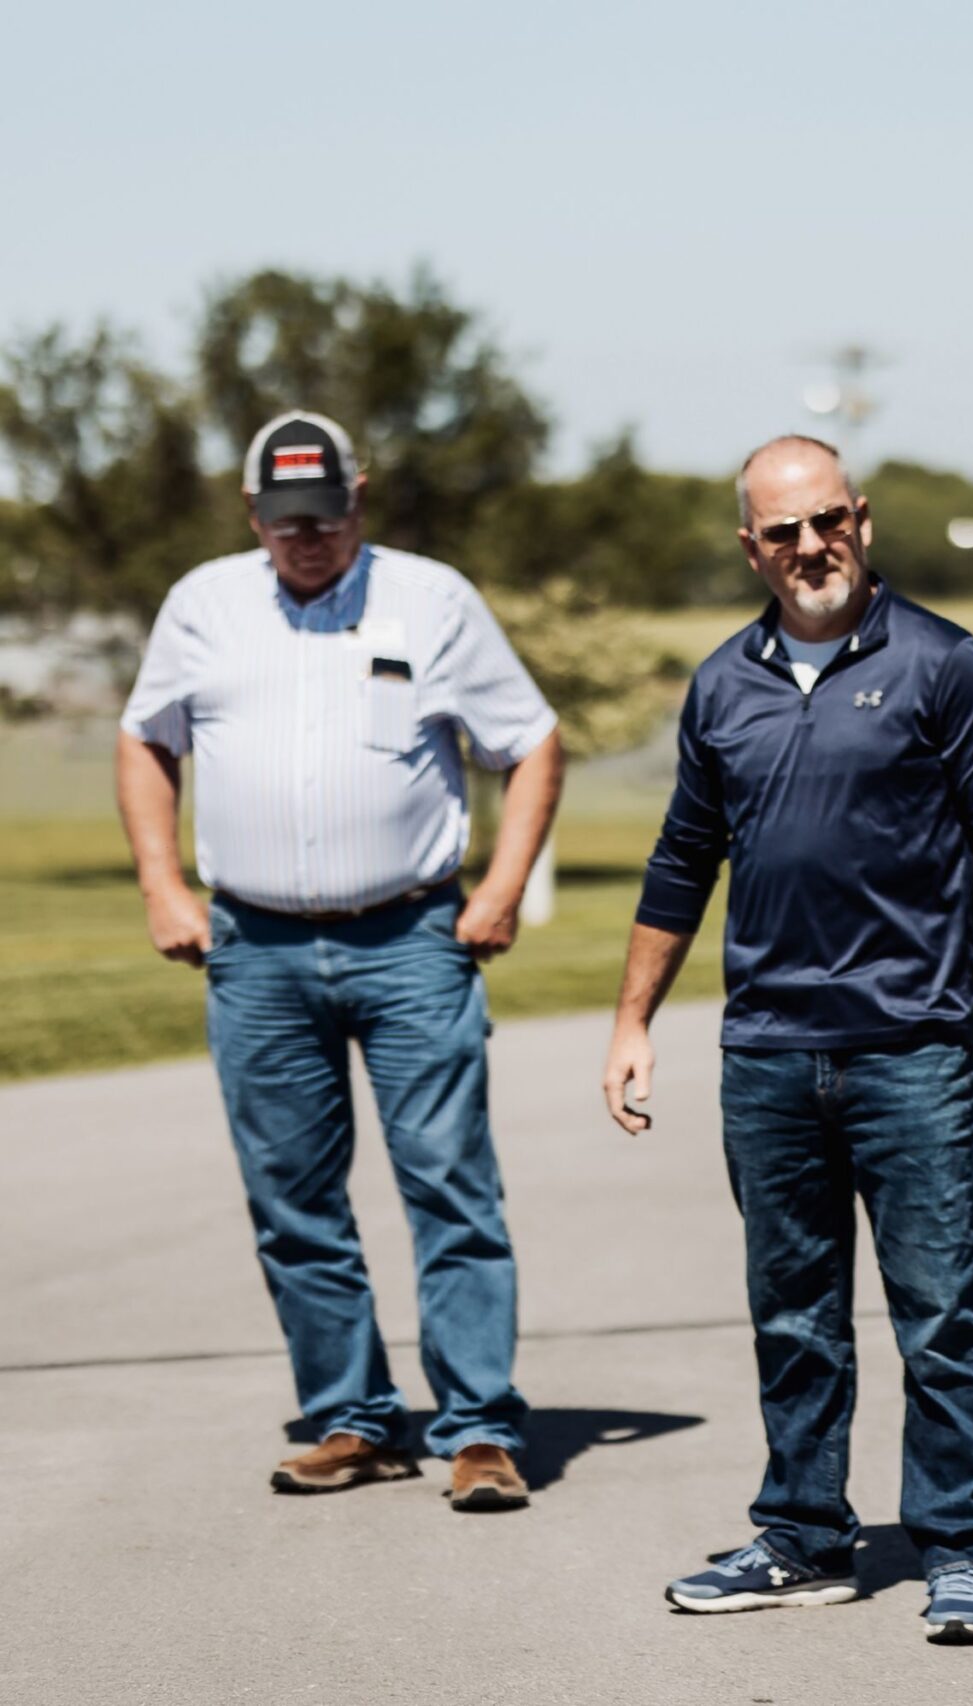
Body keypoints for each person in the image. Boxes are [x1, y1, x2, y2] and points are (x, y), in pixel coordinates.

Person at [603, 434, 973, 1637]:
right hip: (768, 1055)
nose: (809, 546)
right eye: (781, 531)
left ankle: (958, 1547)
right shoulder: (721, 684)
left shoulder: (943, 664)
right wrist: (632, 1021)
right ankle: (802, 1536)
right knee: (792, 1309)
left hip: (911, 1051)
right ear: (751, 546)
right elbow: (683, 861)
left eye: (826, 520)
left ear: (863, 521)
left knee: (937, 1306)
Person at [115, 410, 564, 1513]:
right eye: (284, 521)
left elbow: (531, 739)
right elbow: (145, 737)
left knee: (450, 1187)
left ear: (359, 498)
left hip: (410, 938)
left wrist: (502, 888)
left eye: (324, 516)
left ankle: (476, 1429)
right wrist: (163, 884)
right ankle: (353, 1417)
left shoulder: (433, 598)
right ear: (252, 513)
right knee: (293, 1199)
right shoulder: (203, 605)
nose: (305, 538)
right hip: (255, 944)